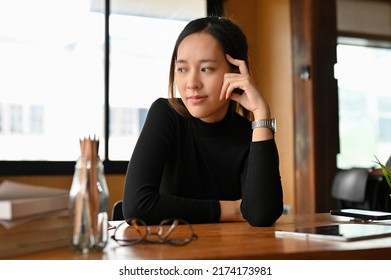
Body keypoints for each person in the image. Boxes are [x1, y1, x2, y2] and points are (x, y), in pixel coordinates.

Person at [122, 16, 283, 227]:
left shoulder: (251, 134)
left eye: (206, 69)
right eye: (182, 69)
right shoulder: (166, 114)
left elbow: (262, 214)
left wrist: (261, 114)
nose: (192, 84)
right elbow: (137, 207)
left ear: (235, 72)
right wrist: (234, 209)